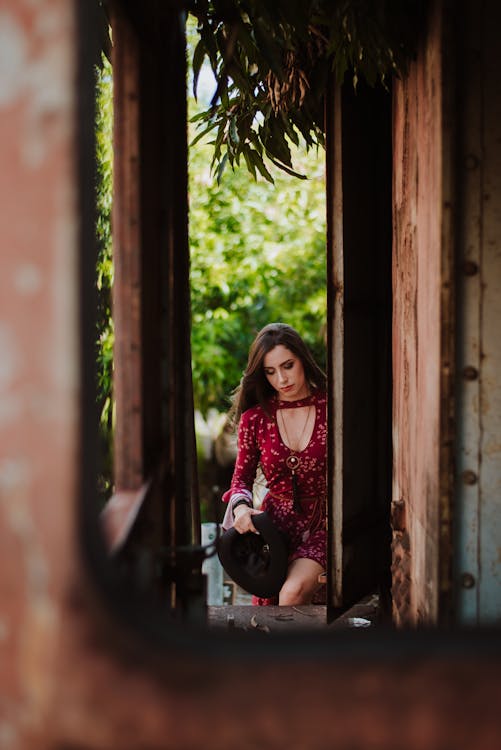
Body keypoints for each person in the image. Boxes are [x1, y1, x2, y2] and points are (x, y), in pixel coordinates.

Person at [221, 323, 327, 606]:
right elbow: (240, 480)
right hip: (273, 532)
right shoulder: (255, 419)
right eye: (270, 371)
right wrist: (241, 508)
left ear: (303, 359)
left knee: (291, 593)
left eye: (288, 365)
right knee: (273, 608)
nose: (282, 379)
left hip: (325, 523)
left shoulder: (335, 408)